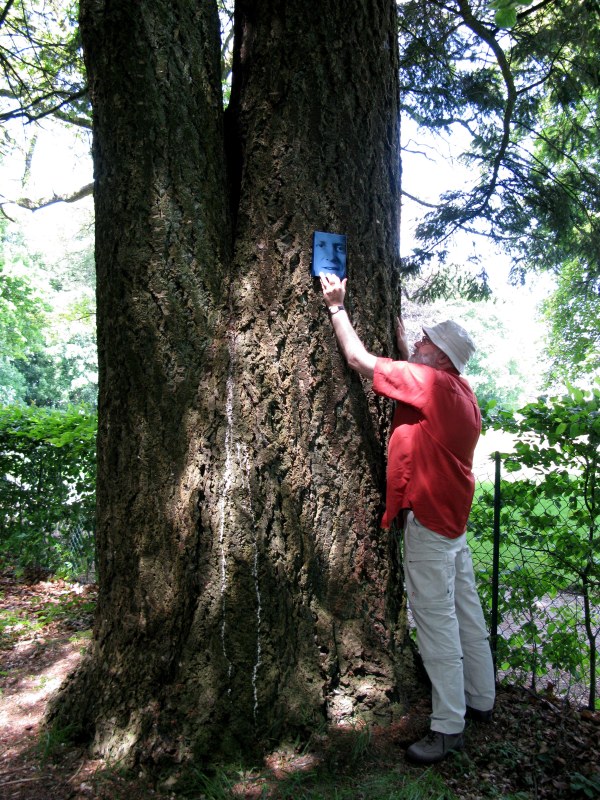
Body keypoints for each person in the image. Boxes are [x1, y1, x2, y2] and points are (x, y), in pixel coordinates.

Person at [320, 273, 495, 765]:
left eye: (425, 342)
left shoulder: (431, 383)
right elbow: (420, 379)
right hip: (453, 522)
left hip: (431, 524)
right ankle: (481, 698)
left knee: (436, 625)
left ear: (441, 359)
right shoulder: (462, 393)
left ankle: (448, 727)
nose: (417, 343)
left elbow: (359, 360)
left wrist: (337, 307)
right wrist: (407, 350)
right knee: (466, 615)